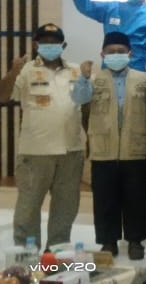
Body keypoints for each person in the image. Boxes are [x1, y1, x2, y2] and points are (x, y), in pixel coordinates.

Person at [0, 24, 87, 249]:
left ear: (63, 45)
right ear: (35, 45)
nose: (49, 45)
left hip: (71, 150)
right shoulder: (26, 70)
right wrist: (13, 71)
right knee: (28, 206)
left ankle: (57, 252)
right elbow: (3, 96)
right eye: (44, 42)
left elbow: (86, 106)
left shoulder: (77, 70)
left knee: (66, 206)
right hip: (35, 152)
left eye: (54, 42)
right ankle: (27, 254)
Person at [71, 32, 146, 260]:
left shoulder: (143, 79)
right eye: (111, 51)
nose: (116, 55)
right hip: (103, 150)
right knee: (105, 199)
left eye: (121, 51)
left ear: (130, 54)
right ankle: (108, 241)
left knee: (136, 198)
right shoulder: (94, 80)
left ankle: (135, 241)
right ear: (102, 54)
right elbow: (79, 99)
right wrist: (84, 78)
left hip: (135, 149)